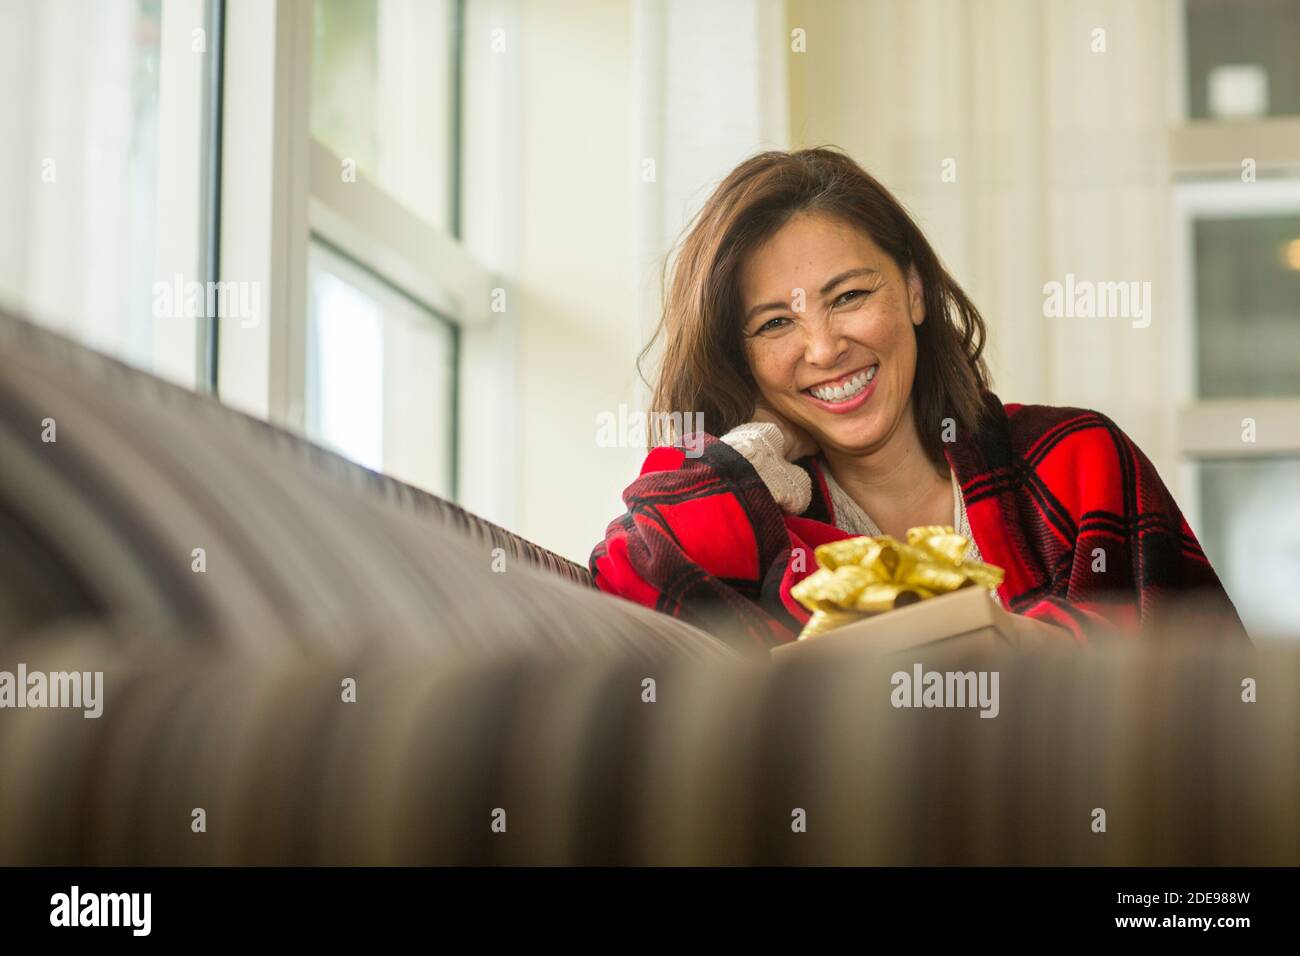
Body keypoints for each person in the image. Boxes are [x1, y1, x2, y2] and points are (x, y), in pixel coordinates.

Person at [590, 147, 1247, 651]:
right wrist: (748, 462)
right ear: (742, 359)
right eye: (775, 325)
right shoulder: (758, 523)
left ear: (913, 289)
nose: (823, 348)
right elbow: (631, 581)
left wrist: (1016, 644)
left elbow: (1220, 694)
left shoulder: (1075, 461)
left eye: (849, 296)